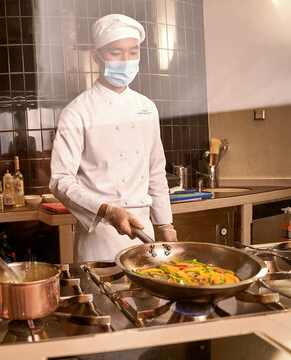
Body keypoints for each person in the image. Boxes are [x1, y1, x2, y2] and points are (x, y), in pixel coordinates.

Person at [49, 14, 178, 262]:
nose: (126, 60)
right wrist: (108, 211)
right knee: (104, 299)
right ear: (96, 57)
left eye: (133, 52)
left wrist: (166, 226)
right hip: (100, 233)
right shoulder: (77, 111)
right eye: (116, 53)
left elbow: (156, 171)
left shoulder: (147, 107)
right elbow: (60, 181)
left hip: (145, 231)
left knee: (149, 299)